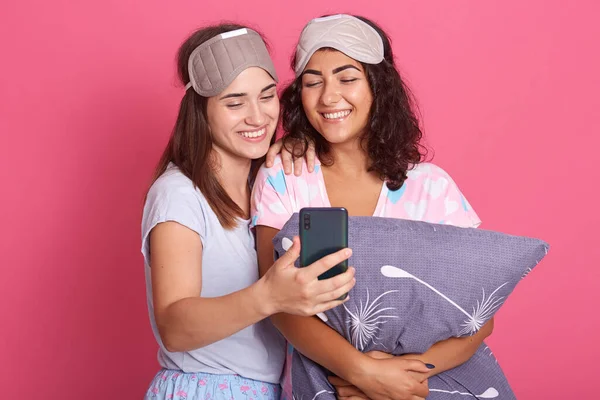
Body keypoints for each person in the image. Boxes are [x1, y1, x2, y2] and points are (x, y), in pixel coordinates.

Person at [252, 14, 492, 400]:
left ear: (378, 87)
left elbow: (481, 313)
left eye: (348, 78)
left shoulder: (431, 187)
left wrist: (402, 377)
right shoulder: (283, 178)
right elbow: (277, 305)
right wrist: (362, 373)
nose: (329, 97)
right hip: (322, 387)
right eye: (313, 82)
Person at [141, 23, 356, 400]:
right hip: (207, 389)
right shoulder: (178, 194)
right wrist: (268, 297)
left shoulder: (271, 185)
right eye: (235, 103)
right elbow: (174, 328)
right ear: (200, 110)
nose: (257, 118)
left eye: (267, 96)